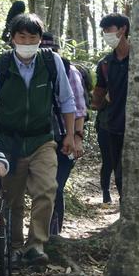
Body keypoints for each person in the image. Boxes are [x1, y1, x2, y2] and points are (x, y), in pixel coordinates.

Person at [0, 13, 76, 266]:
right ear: (13, 38)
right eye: (21, 36)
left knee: (47, 189)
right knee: (10, 197)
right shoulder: (0, 66)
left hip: (42, 140)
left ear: (40, 39)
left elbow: (67, 101)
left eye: (32, 37)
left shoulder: (51, 63)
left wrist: (70, 134)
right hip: (8, 141)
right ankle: (13, 246)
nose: (27, 41)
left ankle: (36, 244)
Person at [92, 13, 139, 196]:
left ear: (123, 29)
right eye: (104, 31)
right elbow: (96, 99)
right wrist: (99, 100)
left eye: (109, 30)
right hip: (113, 128)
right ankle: (125, 215)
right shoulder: (105, 64)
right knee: (120, 176)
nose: (106, 34)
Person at [39, 32, 87, 236]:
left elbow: (79, 108)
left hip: (62, 138)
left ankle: (53, 234)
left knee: (55, 186)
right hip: (37, 138)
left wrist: (76, 137)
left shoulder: (69, 72)